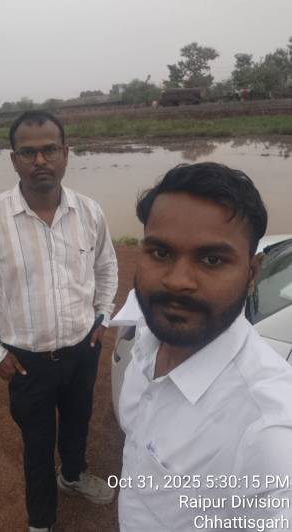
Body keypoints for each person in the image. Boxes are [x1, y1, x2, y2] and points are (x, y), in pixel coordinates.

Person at [0, 110, 118, 532]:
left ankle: (74, 475)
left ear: (66, 153)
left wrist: (102, 316)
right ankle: (42, 522)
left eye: (50, 150)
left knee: (78, 420)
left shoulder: (89, 212)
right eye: (28, 152)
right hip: (26, 362)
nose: (40, 161)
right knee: (36, 444)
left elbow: (106, 268)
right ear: (14, 160)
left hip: (82, 349)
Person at [118, 162, 292, 531]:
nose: (178, 281)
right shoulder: (146, 342)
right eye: (160, 253)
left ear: (252, 272)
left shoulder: (268, 432)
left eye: (211, 260)